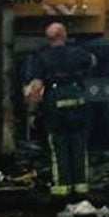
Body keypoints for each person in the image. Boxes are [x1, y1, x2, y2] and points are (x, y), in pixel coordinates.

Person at [24, 22, 96, 200]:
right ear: (64, 35)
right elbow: (93, 62)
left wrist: (32, 113)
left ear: (48, 38)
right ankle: (81, 188)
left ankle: (62, 190)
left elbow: (36, 88)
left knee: (59, 149)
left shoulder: (41, 58)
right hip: (77, 102)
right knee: (79, 147)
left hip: (55, 106)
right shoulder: (78, 53)